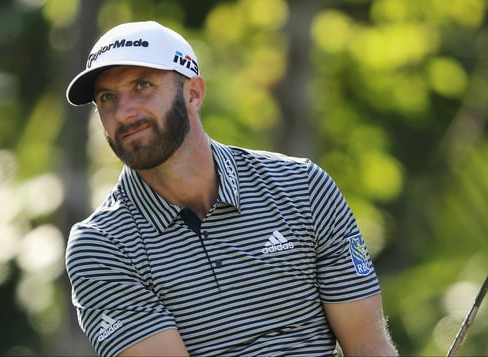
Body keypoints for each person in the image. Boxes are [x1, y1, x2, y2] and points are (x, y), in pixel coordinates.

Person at [64, 20, 398, 356]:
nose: (123, 112)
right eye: (107, 97)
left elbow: (369, 347)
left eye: (142, 86)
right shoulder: (102, 247)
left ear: (193, 93)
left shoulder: (304, 188)